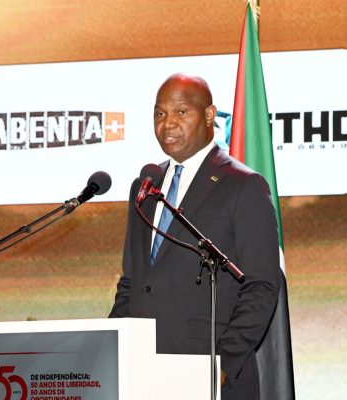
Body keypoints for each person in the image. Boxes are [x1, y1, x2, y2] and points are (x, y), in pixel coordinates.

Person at [109, 73, 281, 400]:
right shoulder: (145, 186)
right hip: (144, 374)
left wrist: (223, 363)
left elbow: (261, 285)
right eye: (160, 114)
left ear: (209, 115)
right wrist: (111, 346)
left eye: (181, 112)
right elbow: (132, 280)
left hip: (209, 375)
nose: (168, 124)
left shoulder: (244, 185)